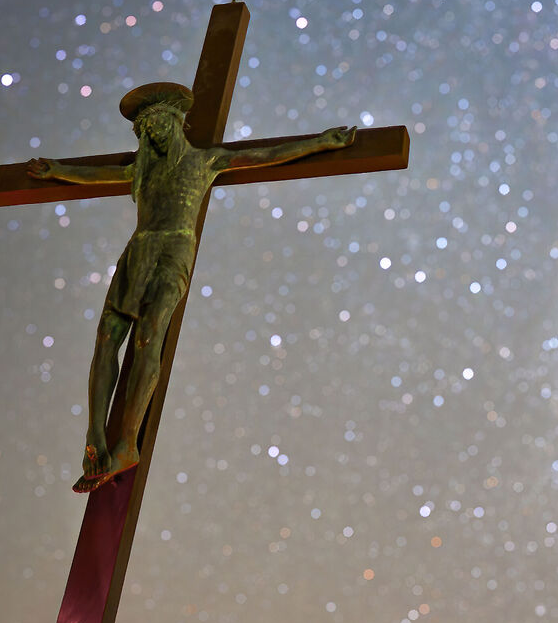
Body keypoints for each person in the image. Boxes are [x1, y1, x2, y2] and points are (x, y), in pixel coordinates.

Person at [29, 83, 354, 489]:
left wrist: (321, 142)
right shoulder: (142, 169)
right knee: (107, 336)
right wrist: (57, 170)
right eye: (145, 130)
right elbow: (99, 175)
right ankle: (95, 435)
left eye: (159, 124)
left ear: (177, 122)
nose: (153, 133)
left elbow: (266, 154)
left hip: (172, 251)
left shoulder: (205, 161)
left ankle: (127, 443)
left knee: (149, 335)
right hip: (138, 251)